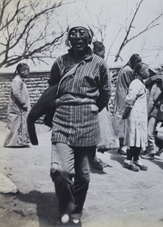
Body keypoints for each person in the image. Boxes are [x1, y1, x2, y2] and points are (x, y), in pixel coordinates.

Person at [48, 21, 111, 225]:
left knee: (83, 176)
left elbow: (105, 93)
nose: (76, 36)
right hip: (62, 121)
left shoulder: (99, 64)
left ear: (89, 38)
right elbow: (51, 89)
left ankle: (76, 211)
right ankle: (65, 209)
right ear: (68, 38)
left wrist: (91, 107)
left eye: (81, 33)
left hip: (88, 123)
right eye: (72, 33)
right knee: (61, 171)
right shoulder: (60, 62)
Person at [91, 41, 118, 171]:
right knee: (97, 131)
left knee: (94, 132)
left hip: (95, 101)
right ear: (97, 51)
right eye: (102, 52)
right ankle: (91, 158)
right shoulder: (99, 64)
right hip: (97, 103)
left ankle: (92, 157)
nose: (103, 55)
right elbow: (105, 88)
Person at [113, 54, 142, 155]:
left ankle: (122, 145)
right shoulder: (129, 70)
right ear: (133, 62)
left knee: (121, 121)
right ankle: (122, 147)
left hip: (120, 97)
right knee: (124, 122)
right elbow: (132, 85)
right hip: (124, 97)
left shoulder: (124, 69)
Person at [122, 62, 149, 172]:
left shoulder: (141, 83)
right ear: (141, 72)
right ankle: (128, 160)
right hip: (135, 116)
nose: (148, 73)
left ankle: (137, 158)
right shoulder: (136, 83)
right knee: (133, 137)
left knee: (139, 137)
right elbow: (130, 100)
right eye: (147, 70)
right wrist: (125, 114)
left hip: (140, 116)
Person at [141, 64, 163, 160]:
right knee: (152, 131)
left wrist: (147, 112)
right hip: (156, 110)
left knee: (149, 132)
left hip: (155, 111)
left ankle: (152, 152)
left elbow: (152, 99)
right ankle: (159, 145)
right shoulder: (156, 81)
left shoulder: (157, 83)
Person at [4, 63, 31, 148]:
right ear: (22, 71)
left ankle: (20, 142)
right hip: (17, 108)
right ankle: (12, 143)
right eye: (27, 71)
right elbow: (16, 93)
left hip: (20, 108)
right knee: (15, 124)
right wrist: (23, 103)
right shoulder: (17, 80)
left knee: (21, 124)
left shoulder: (20, 80)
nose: (28, 73)